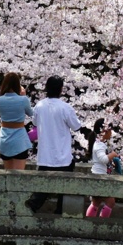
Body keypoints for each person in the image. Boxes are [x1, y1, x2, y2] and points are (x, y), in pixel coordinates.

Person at [26, 76, 82, 215]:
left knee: (41, 189)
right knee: (64, 188)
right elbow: (76, 126)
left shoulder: (39, 106)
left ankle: (29, 210)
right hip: (63, 156)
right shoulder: (65, 108)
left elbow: (35, 123)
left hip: (45, 156)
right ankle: (59, 213)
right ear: (61, 89)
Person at [0, 72, 33, 170]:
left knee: (8, 173)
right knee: (19, 175)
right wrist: (23, 96)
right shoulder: (23, 100)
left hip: (5, 138)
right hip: (19, 139)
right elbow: (31, 113)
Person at [86, 119, 119, 219]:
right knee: (110, 202)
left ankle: (90, 221)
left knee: (96, 202)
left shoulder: (99, 144)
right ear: (104, 131)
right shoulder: (99, 145)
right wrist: (112, 155)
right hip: (100, 178)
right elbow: (103, 159)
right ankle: (101, 222)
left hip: (99, 176)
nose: (111, 133)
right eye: (110, 130)